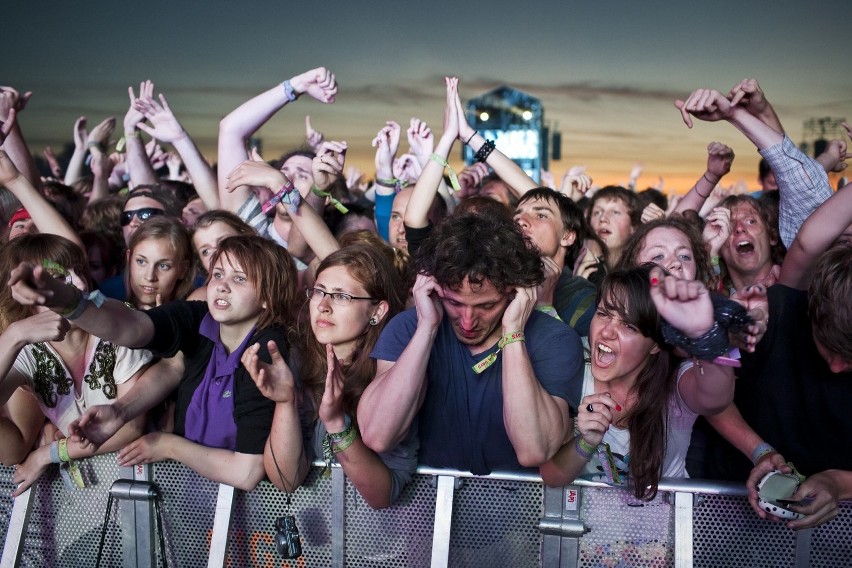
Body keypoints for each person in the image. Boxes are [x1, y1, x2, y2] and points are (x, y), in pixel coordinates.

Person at [10, 235, 298, 491]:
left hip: (253, 517)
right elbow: (133, 329)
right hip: (195, 500)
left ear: (267, 297)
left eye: (239, 279)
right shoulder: (199, 318)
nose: (221, 287)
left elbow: (245, 473)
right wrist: (120, 411)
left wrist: (169, 445)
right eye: (218, 274)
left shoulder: (267, 351)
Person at [358, 206, 584, 474]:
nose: (467, 321)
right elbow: (378, 435)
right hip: (429, 507)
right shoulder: (408, 329)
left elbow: (533, 449)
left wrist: (513, 333)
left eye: (486, 306)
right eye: (454, 303)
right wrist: (427, 328)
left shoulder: (555, 340)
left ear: (517, 292)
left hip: (519, 507)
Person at [539, 264, 737, 500]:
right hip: (585, 533)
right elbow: (551, 476)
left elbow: (717, 397)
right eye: (603, 314)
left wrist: (707, 333)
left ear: (655, 344)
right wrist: (586, 442)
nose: (607, 332)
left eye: (629, 325)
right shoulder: (574, 368)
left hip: (662, 534)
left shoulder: (674, 384)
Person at [244, 244, 415, 508]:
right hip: (316, 541)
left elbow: (383, 495)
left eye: (341, 296)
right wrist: (285, 401)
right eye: (319, 292)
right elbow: (286, 480)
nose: (323, 306)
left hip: (381, 540)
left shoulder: (395, 371)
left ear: (377, 312)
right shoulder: (297, 359)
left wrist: (337, 423)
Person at [0, 234, 156, 495]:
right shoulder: (27, 350)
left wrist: (49, 454)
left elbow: (130, 426)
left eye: (80, 271)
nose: (82, 283)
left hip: (141, 494)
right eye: (60, 277)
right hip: (81, 508)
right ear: (22, 295)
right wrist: (13, 336)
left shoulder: (117, 320)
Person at [102, 216, 194, 309]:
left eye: (163, 266)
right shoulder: (106, 304)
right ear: (129, 258)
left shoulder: (195, 316)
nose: (149, 277)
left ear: (183, 269)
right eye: (141, 262)